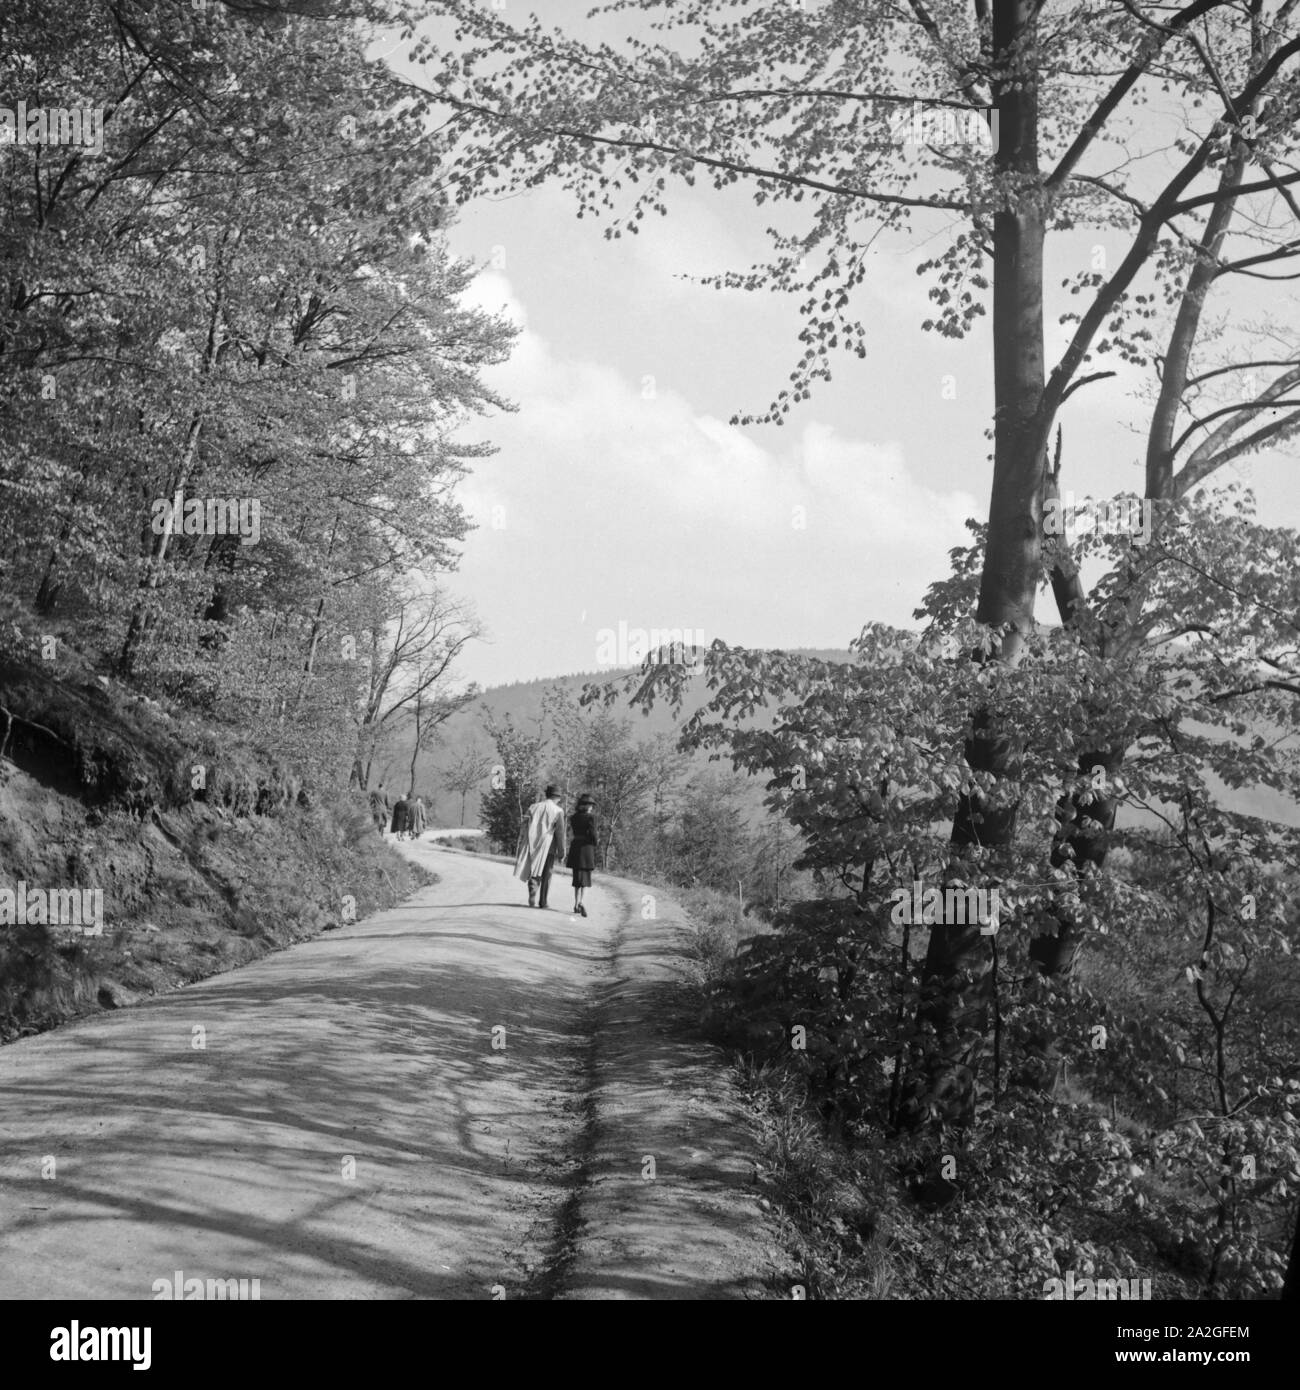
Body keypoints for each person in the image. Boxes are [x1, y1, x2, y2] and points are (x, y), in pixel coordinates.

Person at [514, 784, 566, 909]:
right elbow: (560, 832)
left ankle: (532, 888)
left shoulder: (533, 807)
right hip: (549, 846)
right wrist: (562, 851)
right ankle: (543, 901)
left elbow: (524, 824)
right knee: (547, 873)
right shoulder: (558, 811)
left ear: (547, 795)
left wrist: (522, 841)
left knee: (534, 869)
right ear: (558, 797)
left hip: (531, 843)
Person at [565, 793, 597, 917]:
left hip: (575, 847)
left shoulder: (573, 817)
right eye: (591, 805)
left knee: (577, 879)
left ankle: (576, 903)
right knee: (586, 879)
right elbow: (593, 833)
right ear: (587, 806)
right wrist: (595, 843)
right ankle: (582, 902)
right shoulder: (591, 818)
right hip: (587, 848)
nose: (592, 807)